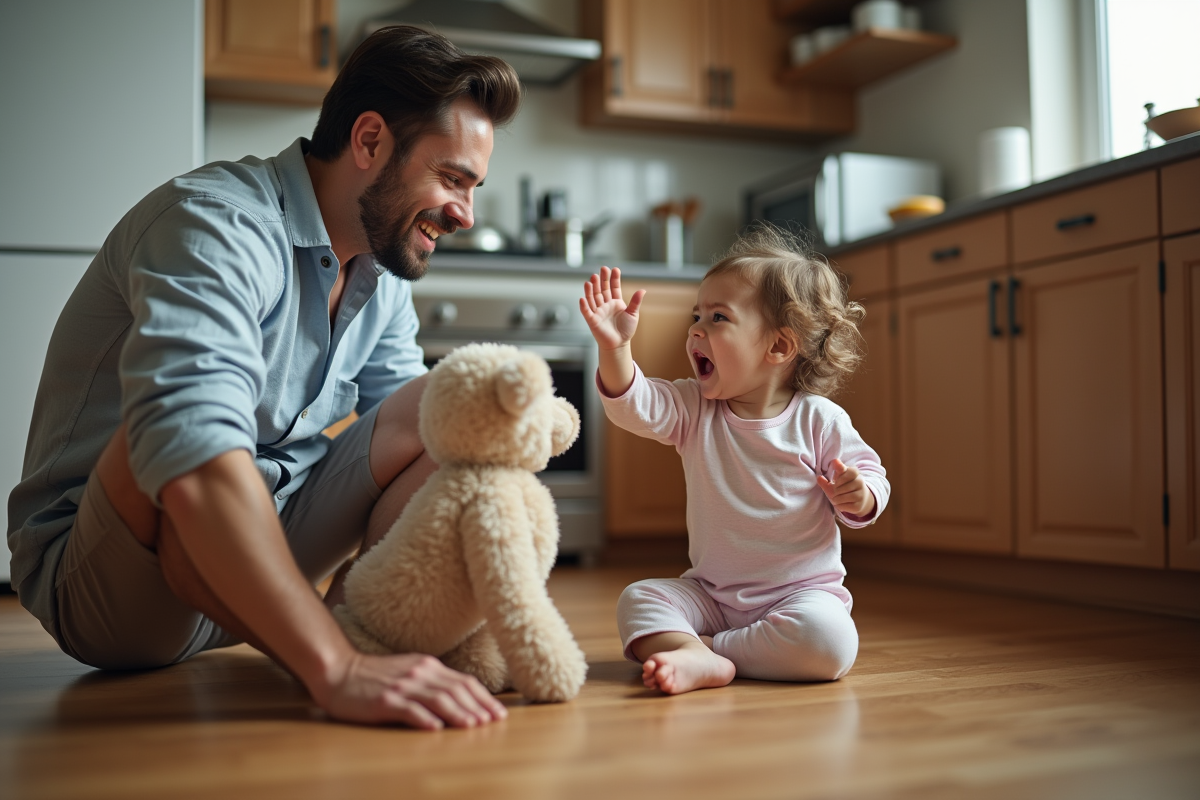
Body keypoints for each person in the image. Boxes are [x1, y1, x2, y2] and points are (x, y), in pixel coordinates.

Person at [6, 26, 520, 729]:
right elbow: (192, 459)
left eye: (473, 187)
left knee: (451, 403)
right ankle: (327, 653)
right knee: (179, 432)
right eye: (453, 178)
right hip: (112, 588)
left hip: (259, 561)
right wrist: (332, 672)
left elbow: (419, 445)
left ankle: (352, 634)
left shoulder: (380, 271)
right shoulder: (215, 222)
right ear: (369, 142)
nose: (465, 212)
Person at [578, 226, 889, 695]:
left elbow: (871, 476)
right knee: (639, 599)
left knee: (830, 641)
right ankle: (716, 650)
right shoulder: (694, 408)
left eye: (718, 317)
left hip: (799, 597)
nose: (696, 329)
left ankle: (705, 651)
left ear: (779, 347)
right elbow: (634, 402)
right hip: (711, 596)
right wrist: (614, 348)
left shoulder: (819, 419)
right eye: (696, 315)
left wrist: (860, 496)